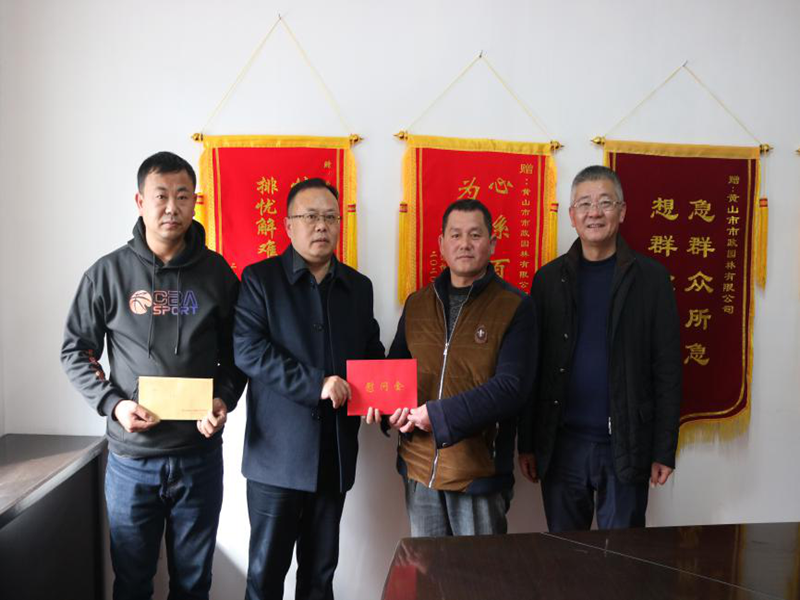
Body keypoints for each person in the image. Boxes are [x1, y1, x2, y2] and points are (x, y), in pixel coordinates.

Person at [61, 151, 246, 599]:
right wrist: (115, 405)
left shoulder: (218, 274)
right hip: (132, 460)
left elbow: (238, 354)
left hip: (198, 456)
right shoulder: (108, 274)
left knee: (193, 584)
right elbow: (76, 351)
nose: (171, 207)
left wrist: (223, 399)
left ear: (195, 202)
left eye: (183, 196)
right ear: (140, 201)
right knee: (131, 582)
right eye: (161, 195)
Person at [234, 178, 385, 600]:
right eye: (311, 216)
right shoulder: (260, 280)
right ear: (288, 225)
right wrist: (315, 384)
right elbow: (249, 352)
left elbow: (371, 352)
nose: (322, 226)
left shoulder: (359, 287)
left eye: (330, 217)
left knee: (320, 577)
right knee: (265, 577)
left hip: (333, 455)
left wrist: (382, 398)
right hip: (276, 460)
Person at [518, 165, 682, 532]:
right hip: (562, 446)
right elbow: (533, 367)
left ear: (622, 212)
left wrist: (663, 449)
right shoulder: (548, 280)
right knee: (566, 554)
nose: (595, 212)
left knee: (623, 558)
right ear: (571, 215)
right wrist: (526, 442)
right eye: (585, 204)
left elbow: (668, 369)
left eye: (606, 203)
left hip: (626, 443)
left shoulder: (652, 279)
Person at [383, 198, 537, 537]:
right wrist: (388, 411)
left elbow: (511, 388)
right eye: (455, 235)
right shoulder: (418, 303)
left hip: (478, 474)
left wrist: (438, 416)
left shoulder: (516, 307)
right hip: (419, 470)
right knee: (428, 569)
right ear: (441, 243)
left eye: (474, 235)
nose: (464, 243)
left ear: (492, 243)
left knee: (479, 571)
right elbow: (396, 371)